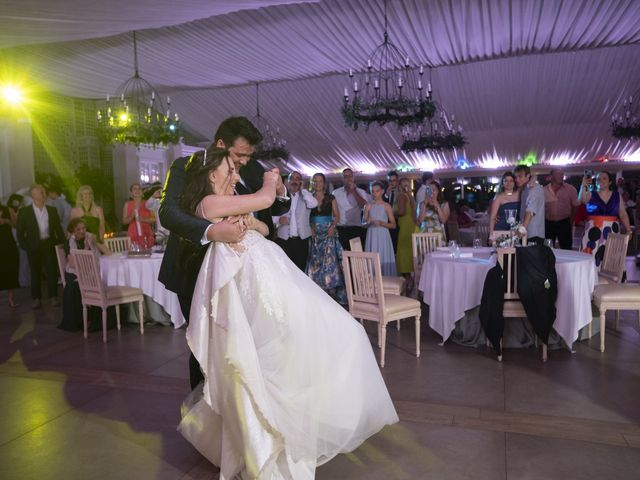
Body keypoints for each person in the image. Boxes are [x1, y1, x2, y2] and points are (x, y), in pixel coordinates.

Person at [177, 147, 398, 480]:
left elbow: (263, 230)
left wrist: (250, 222)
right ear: (211, 175)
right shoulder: (208, 204)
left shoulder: (232, 199)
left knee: (329, 336)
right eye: (231, 170)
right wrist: (270, 181)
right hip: (251, 283)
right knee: (266, 357)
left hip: (270, 274)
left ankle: (300, 423)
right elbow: (267, 199)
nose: (237, 175)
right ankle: (271, 437)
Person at [158, 116, 290, 391]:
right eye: (240, 154)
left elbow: (273, 209)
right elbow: (168, 213)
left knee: (243, 345)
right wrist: (211, 232)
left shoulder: (250, 169)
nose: (243, 163)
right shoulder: (185, 167)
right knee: (205, 346)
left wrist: (280, 191)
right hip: (193, 269)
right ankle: (204, 412)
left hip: (244, 275)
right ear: (221, 144)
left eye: (248, 155)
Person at [16, 184, 65, 309]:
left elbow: (58, 230)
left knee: (52, 272)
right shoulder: (24, 212)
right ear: (34, 196)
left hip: (48, 244)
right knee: (35, 273)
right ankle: (36, 298)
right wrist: (26, 247)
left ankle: (53, 297)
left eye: (43, 192)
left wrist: (62, 244)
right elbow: (20, 233)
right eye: (40, 192)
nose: (43, 194)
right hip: (33, 246)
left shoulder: (52, 210)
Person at [59, 218, 112, 332]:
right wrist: (86, 248)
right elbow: (73, 264)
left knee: (104, 281)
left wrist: (94, 241)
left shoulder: (88, 237)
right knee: (75, 287)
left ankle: (101, 321)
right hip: (74, 272)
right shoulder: (70, 242)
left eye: (83, 228)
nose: (82, 231)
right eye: (78, 229)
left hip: (88, 271)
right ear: (73, 231)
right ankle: (80, 321)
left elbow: (106, 253)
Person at [307, 172, 347, 304]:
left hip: (328, 233)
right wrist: (310, 227)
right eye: (315, 181)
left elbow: (337, 215)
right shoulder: (309, 197)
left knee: (330, 263)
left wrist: (332, 227)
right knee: (315, 263)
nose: (317, 183)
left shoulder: (331, 197)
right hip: (314, 235)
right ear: (312, 183)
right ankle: (317, 294)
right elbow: (305, 216)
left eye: (320, 181)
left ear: (324, 183)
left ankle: (331, 293)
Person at [579, 171, 631, 265]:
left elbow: (622, 214)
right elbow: (583, 199)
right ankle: (591, 278)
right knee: (592, 256)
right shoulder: (591, 193)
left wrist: (628, 230)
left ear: (610, 182)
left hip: (612, 231)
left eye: (604, 178)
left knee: (611, 257)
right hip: (593, 231)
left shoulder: (617, 195)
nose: (601, 181)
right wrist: (583, 185)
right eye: (598, 179)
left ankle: (610, 279)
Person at [274, 171, 318, 271]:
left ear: (301, 182)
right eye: (292, 178)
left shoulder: (306, 197)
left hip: (301, 241)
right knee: (285, 269)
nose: (294, 181)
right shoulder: (279, 197)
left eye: (297, 179)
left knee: (300, 269)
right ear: (287, 181)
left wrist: (304, 190)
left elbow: (314, 204)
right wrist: (278, 220)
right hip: (284, 240)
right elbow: (270, 216)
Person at [332, 168, 371, 250]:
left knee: (356, 256)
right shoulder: (336, 193)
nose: (348, 178)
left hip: (356, 228)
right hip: (340, 228)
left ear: (353, 178)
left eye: (350, 176)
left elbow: (364, 206)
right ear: (342, 179)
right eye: (345, 176)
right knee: (341, 256)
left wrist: (354, 191)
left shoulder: (361, 192)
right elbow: (332, 211)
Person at [364, 181, 397, 276]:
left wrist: (382, 223)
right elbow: (363, 223)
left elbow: (393, 225)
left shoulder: (387, 206)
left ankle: (386, 283)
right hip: (371, 235)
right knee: (372, 258)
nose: (374, 194)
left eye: (377, 191)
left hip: (383, 236)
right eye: (372, 191)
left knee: (383, 256)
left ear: (382, 191)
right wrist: (368, 222)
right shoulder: (368, 206)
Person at [544, 168, 579, 249]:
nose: (561, 176)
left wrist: (571, 220)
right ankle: (549, 261)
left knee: (566, 247)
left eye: (562, 174)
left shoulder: (571, 189)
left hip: (564, 222)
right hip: (548, 223)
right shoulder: (544, 190)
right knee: (547, 248)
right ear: (551, 177)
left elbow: (576, 206)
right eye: (558, 174)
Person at [395, 177, 419, 292]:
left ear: (399, 185)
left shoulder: (401, 196)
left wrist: (390, 211)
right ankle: (411, 279)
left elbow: (401, 211)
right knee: (409, 253)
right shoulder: (410, 197)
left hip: (404, 227)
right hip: (411, 226)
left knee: (402, 253)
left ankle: (408, 279)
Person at [514, 165, 545, 246]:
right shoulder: (525, 188)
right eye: (516, 177)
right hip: (527, 233)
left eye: (520, 176)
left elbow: (530, 211)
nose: (517, 179)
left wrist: (522, 230)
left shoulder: (534, 189)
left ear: (528, 176)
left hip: (534, 234)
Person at [489, 172, 521, 239]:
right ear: (502, 183)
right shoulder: (498, 197)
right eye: (506, 181)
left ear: (514, 182)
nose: (509, 183)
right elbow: (492, 218)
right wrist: (491, 236)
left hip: (516, 231)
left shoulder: (520, 194)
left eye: (511, 180)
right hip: (501, 230)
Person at [122, 183, 155, 248]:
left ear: (142, 192)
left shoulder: (148, 203)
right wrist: (132, 216)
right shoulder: (127, 204)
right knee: (134, 255)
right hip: (133, 233)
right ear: (131, 193)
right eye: (134, 189)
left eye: (139, 188)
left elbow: (154, 219)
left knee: (148, 254)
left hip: (146, 233)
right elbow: (124, 221)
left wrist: (143, 219)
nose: (137, 190)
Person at [0, 200, 20, 307]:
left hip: (8, 245)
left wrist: (7, 221)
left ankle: (11, 299)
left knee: (10, 271)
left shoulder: (8, 209)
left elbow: (16, 224)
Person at [383, 170, 400, 251]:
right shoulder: (384, 193)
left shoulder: (400, 192)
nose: (392, 183)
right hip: (387, 223)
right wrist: (386, 195)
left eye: (394, 180)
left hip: (398, 221)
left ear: (397, 181)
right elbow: (381, 206)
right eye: (390, 181)